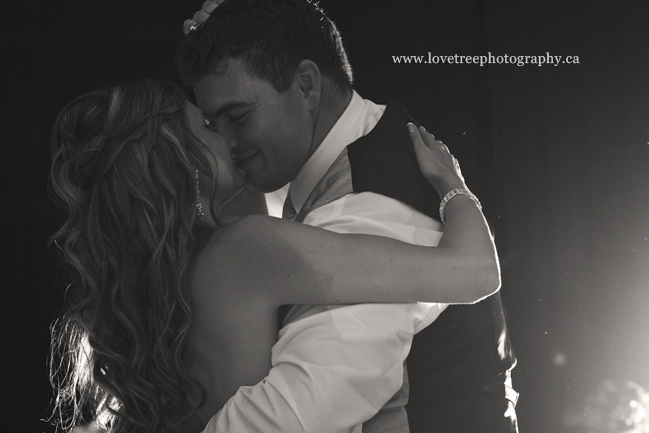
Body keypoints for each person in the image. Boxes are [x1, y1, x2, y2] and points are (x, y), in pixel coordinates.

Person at [49, 79, 498, 433]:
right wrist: (452, 188)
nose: (228, 136)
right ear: (174, 154)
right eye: (206, 126)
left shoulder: (151, 292)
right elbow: (474, 272)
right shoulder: (248, 250)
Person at [178, 1, 518, 432]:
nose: (226, 142)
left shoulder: (366, 208)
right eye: (211, 124)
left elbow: (287, 422)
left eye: (238, 117)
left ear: (305, 85)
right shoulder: (352, 144)